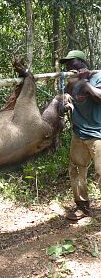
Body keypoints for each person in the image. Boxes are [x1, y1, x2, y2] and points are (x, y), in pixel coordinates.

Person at [60, 50, 101, 221]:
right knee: (76, 171)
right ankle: (82, 207)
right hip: (79, 134)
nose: (68, 66)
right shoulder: (70, 83)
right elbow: (64, 102)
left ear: (82, 62)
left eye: (72, 62)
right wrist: (64, 104)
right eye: (66, 63)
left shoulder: (97, 76)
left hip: (98, 135)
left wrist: (84, 83)